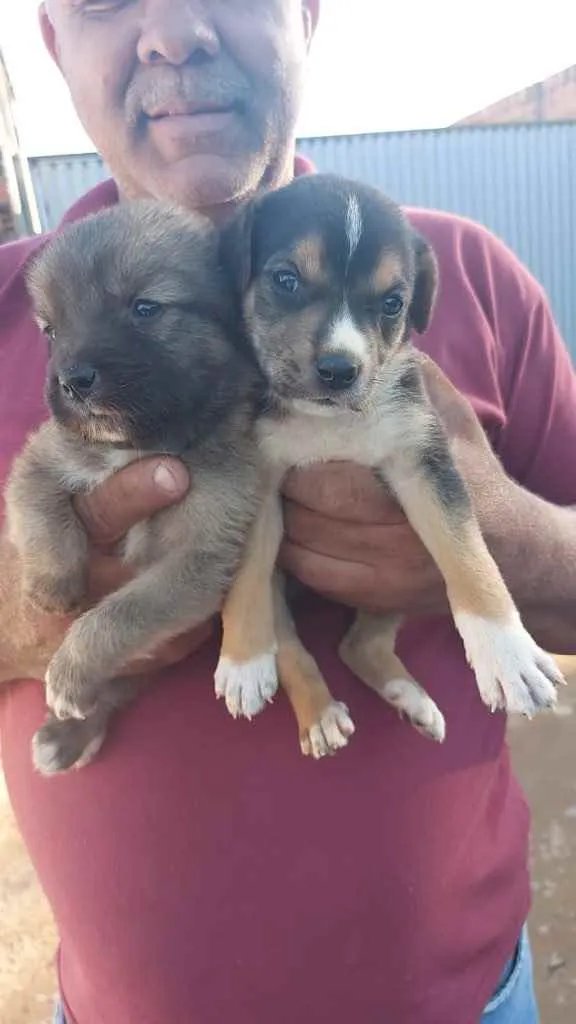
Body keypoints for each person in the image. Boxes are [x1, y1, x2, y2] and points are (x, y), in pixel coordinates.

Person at [1, 2, 576, 1022]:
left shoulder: (468, 275)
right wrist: (36, 609)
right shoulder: (18, 299)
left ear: (307, 13)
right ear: (51, 39)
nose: (173, 33)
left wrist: (502, 540)